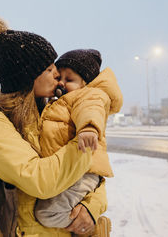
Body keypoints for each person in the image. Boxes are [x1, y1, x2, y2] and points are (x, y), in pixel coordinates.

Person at [0, 17, 108, 237]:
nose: (56, 74)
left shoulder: (46, 113)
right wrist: (87, 143)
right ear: (27, 77)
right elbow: (41, 180)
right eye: (48, 68)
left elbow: (90, 176)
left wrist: (92, 207)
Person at [34, 49, 123, 234]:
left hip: (83, 172)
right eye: (60, 77)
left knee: (47, 213)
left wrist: (88, 128)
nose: (62, 83)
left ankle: (93, 228)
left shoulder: (88, 95)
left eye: (70, 79)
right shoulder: (59, 102)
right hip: (68, 170)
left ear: (85, 83)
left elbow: (90, 109)